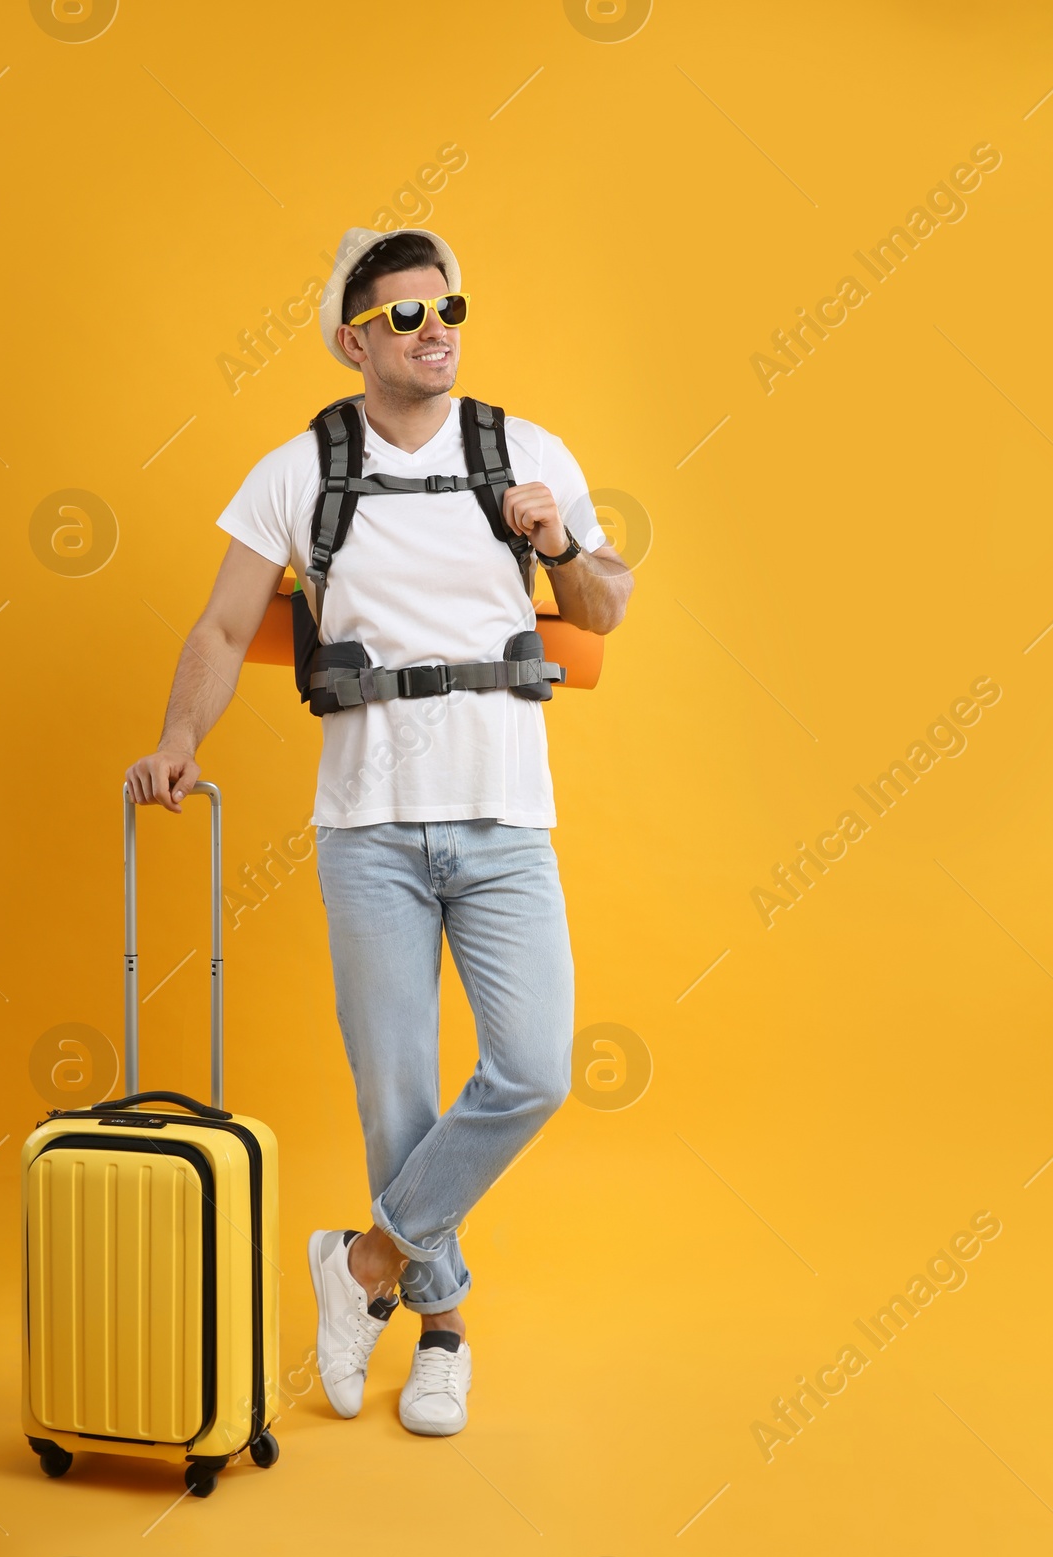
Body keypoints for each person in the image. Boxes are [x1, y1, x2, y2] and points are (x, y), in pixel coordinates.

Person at [123, 225, 634, 1436]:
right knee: (397, 1097)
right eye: (407, 315)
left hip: (505, 818)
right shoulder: (297, 472)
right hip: (367, 830)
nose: (437, 327)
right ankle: (442, 1330)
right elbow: (216, 628)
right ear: (355, 339)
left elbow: (607, 604)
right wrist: (177, 740)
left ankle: (356, 1268)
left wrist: (554, 538)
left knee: (533, 1069)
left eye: (449, 305)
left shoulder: (524, 449)